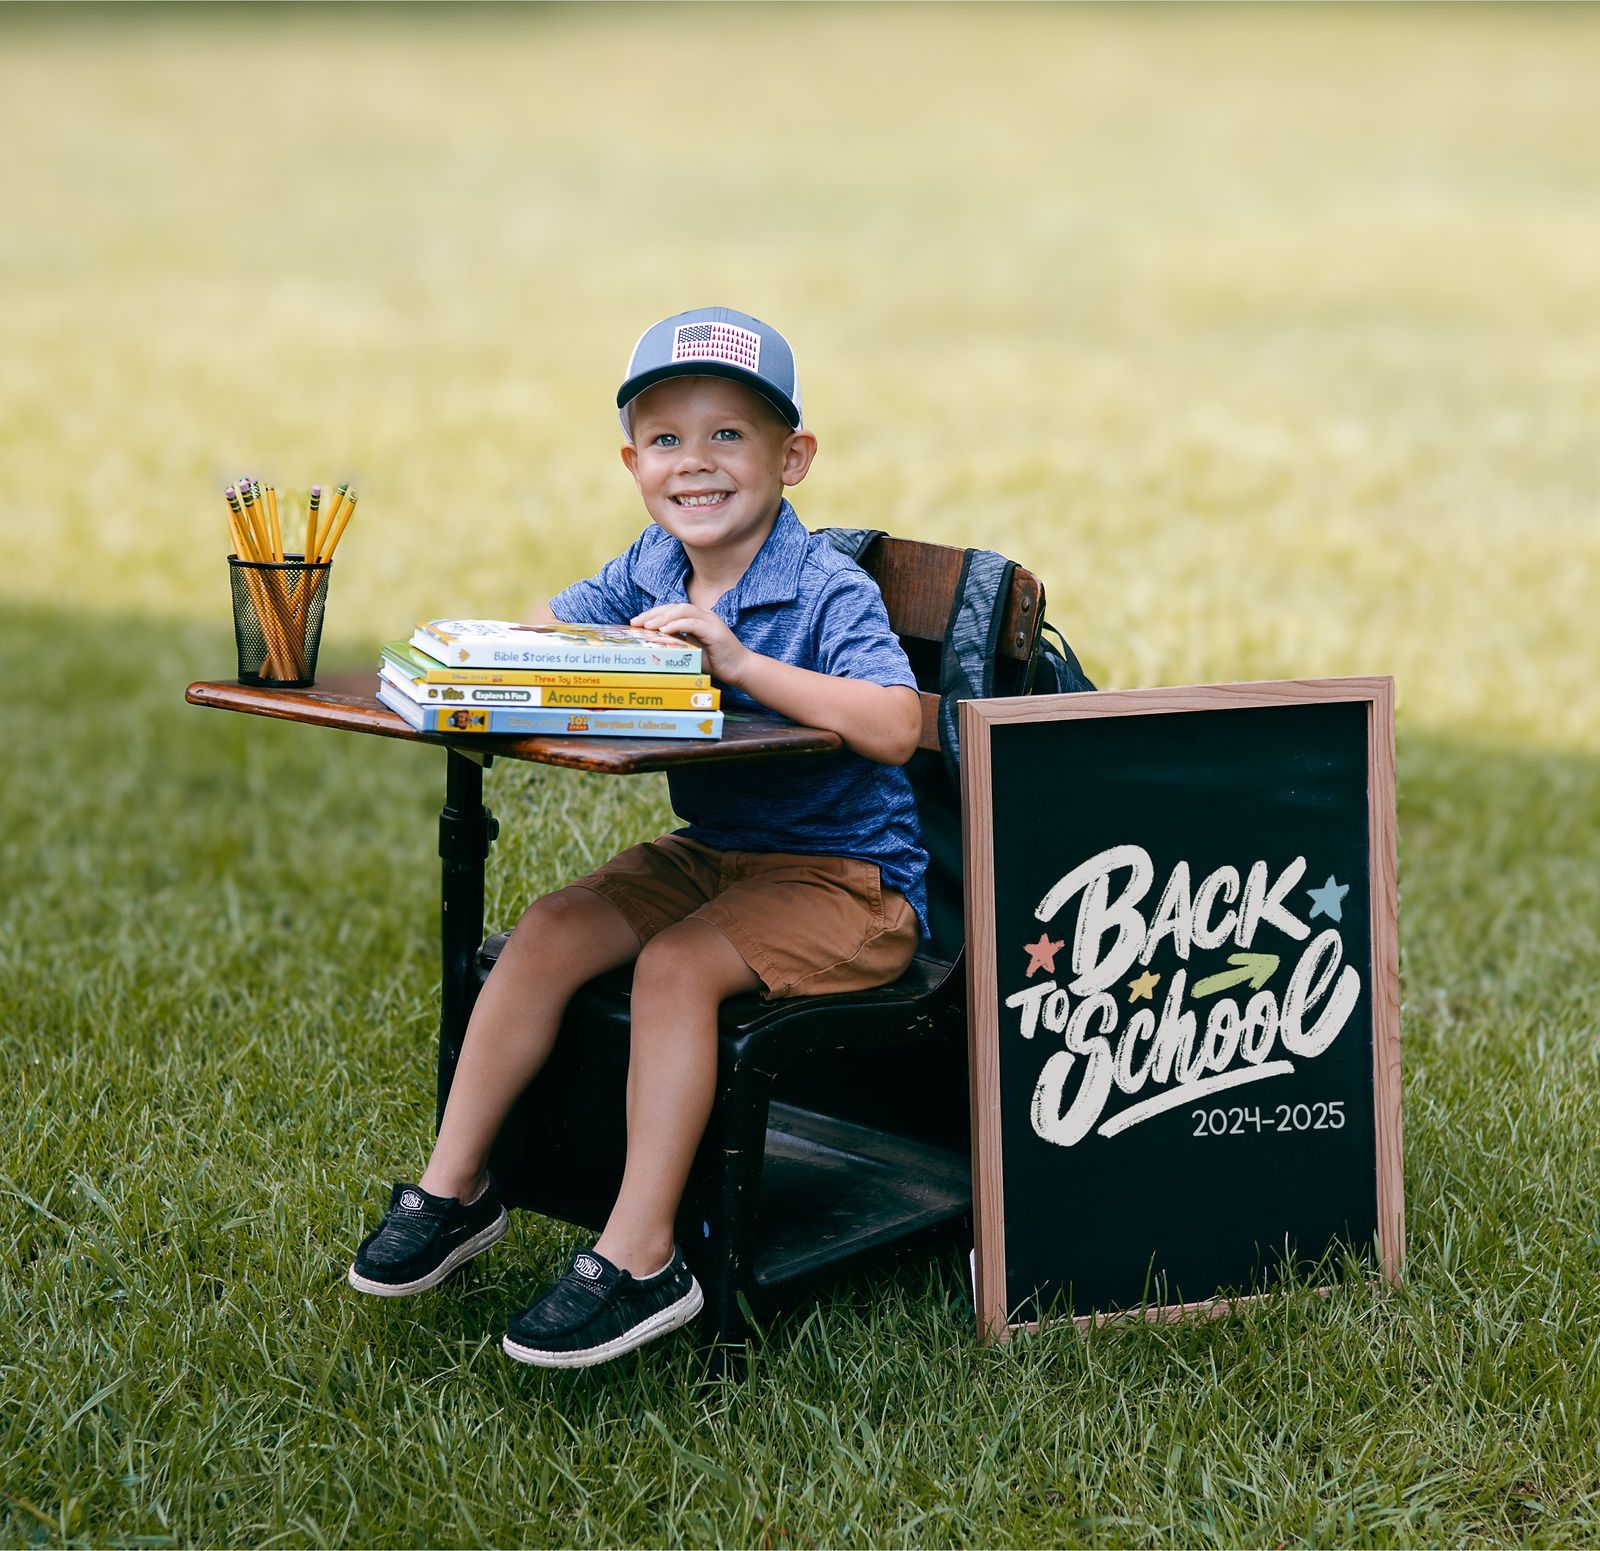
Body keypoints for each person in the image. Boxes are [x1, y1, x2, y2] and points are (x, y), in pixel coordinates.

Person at [347, 306, 929, 1367]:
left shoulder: (826, 587)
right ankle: (456, 1187)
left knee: (673, 968)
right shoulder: (651, 566)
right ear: (631, 463)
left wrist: (739, 664)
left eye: (727, 437)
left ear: (790, 458)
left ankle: (642, 1255)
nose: (693, 465)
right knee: (555, 926)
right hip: (717, 857)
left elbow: (896, 726)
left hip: (847, 884)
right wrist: (519, 660)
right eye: (665, 439)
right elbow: (544, 631)